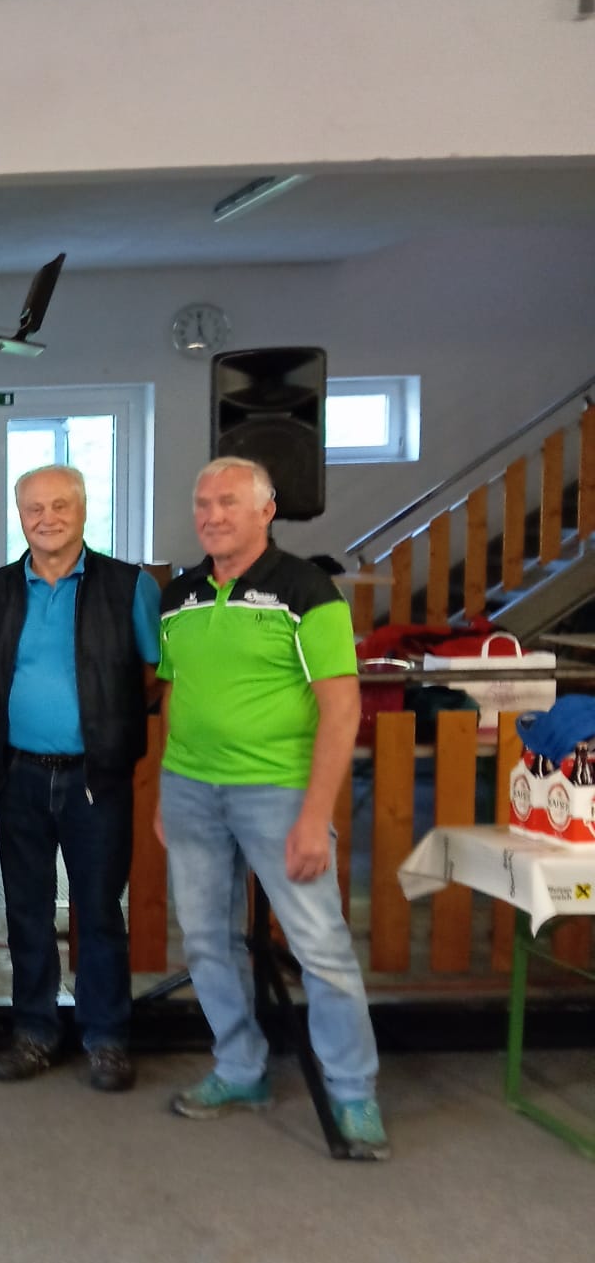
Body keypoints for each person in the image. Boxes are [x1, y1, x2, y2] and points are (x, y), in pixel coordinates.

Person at [156, 457, 388, 1160]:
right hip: (191, 791)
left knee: (321, 947)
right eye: (203, 503)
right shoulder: (179, 596)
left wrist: (315, 814)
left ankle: (353, 1093)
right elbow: (176, 693)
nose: (212, 515)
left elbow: (341, 708)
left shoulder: (307, 591)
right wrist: (168, 788)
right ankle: (240, 1069)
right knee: (206, 941)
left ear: (266, 510)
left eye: (228, 501)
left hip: (279, 792)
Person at [0, 464, 159, 1092]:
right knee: (25, 911)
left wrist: (104, 730)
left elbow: (152, 675)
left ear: (82, 510)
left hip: (95, 779)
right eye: (33, 508)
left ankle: (106, 1038)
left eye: (59, 505)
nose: (46, 518)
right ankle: (34, 1031)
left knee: (99, 910)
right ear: (19, 516)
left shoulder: (128, 586)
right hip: (19, 775)